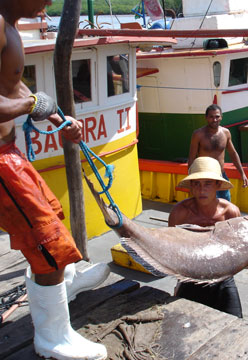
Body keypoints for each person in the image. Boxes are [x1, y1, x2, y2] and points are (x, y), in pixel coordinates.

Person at [0, 2, 109, 359]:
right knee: (46, 242)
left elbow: (13, 89)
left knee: (52, 213)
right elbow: (23, 101)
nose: (48, 3)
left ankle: (66, 281)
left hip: (10, 150)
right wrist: (34, 105)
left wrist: (59, 117)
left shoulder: (10, 24)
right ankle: (52, 338)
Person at [168, 156, 243, 317]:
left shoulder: (231, 212)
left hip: (223, 279)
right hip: (191, 279)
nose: (202, 190)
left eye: (208, 183)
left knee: (237, 323)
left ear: (217, 185)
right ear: (191, 187)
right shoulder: (180, 213)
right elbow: (171, 249)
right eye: (197, 183)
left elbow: (238, 248)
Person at [188, 104, 248, 201]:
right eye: (211, 117)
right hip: (205, 177)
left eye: (217, 116)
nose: (214, 120)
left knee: (226, 203)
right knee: (209, 206)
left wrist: (242, 173)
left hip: (221, 175)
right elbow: (191, 158)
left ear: (221, 117)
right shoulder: (198, 134)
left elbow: (233, 153)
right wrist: (191, 179)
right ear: (206, 118)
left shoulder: (226, 133)